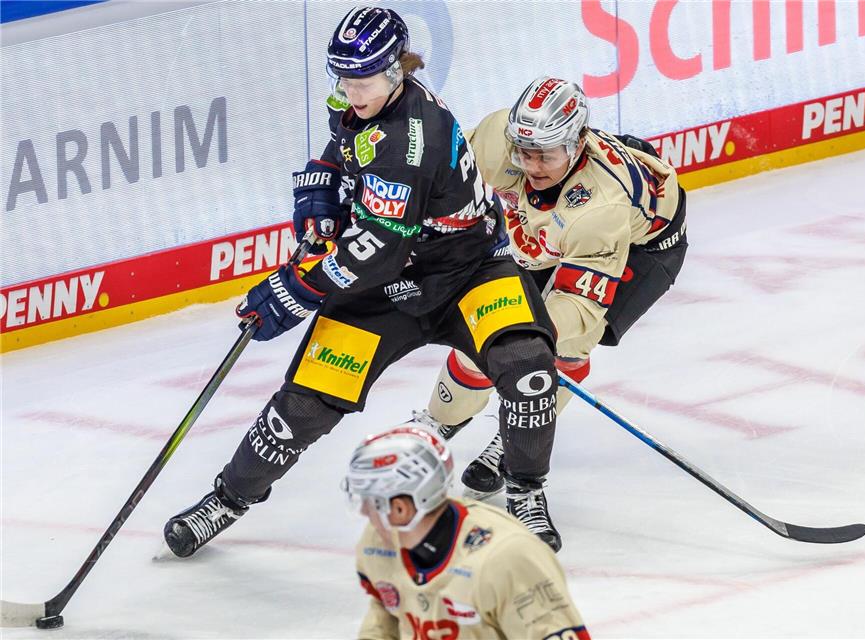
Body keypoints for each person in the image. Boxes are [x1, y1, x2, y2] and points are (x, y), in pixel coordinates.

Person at [163, 7, 564, 556]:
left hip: (466, 273)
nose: (352, 93)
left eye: (364, 80)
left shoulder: (411, 144)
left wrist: (295, 290)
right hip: (386, 289)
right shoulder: (360, 100)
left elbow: (378, 249)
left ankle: (525, 490)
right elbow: (345, 148)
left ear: (396, 71)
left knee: (529, 371)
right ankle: (226, 500)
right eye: (344, 79)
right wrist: (322, 187)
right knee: (303, 406)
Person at [422, 77, 687, 500]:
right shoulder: (496, 140)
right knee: (486, 323)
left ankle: (515, 437)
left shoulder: (601, 208)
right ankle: (438, 423)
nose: (532, 166)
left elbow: (579, 307)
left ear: (577, 144)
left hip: (639, 248)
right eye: (524, 152)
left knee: (564, 344)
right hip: (552, 235)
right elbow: (435, 180)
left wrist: (513, 330)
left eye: (545, 154)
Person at [344, 423, 591, 639]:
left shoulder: (509, 559)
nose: (364, 512)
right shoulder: (378, 544)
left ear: (400, 508)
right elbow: (386, 615)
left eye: (369, 501)